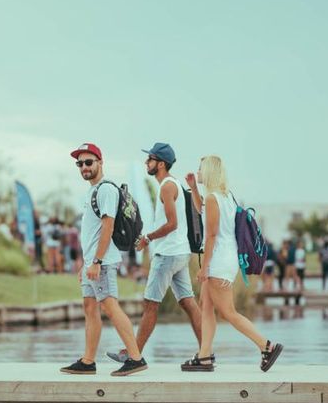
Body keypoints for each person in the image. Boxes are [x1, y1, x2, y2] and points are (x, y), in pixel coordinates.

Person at [180, 155, 283, 373]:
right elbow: (202, 211)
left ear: (209, 171)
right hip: (226, 258)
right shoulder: (225, 196)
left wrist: (204, 267)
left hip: (218, 260)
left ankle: (266, 346)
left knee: (228, 312)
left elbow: (211, 235)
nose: (197, 172)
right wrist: (194, 189)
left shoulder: (214, 199)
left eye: (200, 169)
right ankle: (204, 356)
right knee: (206, 306)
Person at [107, 142, 202, 364]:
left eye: (150, 159)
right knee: (188, 303)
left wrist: (148, 238)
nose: (146, 162)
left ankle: (133, 355)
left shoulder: (167, 187)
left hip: (167, 255)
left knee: (150, 304)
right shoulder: (173, 184)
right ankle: (206, 352)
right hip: (180, 253)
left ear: (160, 164)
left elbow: (172, 224)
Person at [60, 143, 147, 376]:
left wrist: (97, 262)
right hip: (92, 262)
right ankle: (88, 361)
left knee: (109, 305)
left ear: (100, 162)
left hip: (103, 261)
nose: (84, 167)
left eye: (89, 162)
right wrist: (85, 263)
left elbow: (108, 226)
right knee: (90, 307)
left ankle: (135, 357)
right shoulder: (92, 191)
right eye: (80, 163)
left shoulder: (106, 189)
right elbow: (92, 232)